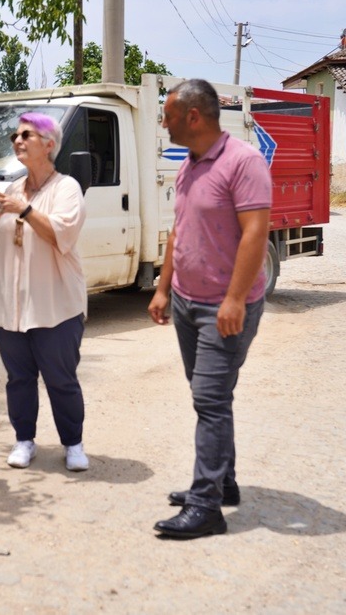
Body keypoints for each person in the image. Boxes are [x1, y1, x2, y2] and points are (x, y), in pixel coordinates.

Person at [147, 79, 272, 539]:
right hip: (186, 302)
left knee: (209, 399)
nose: (165, 123)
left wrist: (235, 298)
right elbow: (179, 231)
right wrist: (163, 289)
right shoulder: (190, 166)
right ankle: (224, 482)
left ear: (192, 117)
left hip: (224, 307)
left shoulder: (244, 162)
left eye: (168, 115)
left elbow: (257, 232)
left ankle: (206, 507)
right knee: (211, 398)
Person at [0, 112, 89, 472]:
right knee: (19, 378)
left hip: (55, 303)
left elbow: (62, 234)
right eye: (15, 135)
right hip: (10, 303)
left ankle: (73, 444)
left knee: (61, 379)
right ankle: (24, 440)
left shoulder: (66, 188)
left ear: (49, 145)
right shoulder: (12, 189)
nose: (17, 141)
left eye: (27, 135)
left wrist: (24, 209)